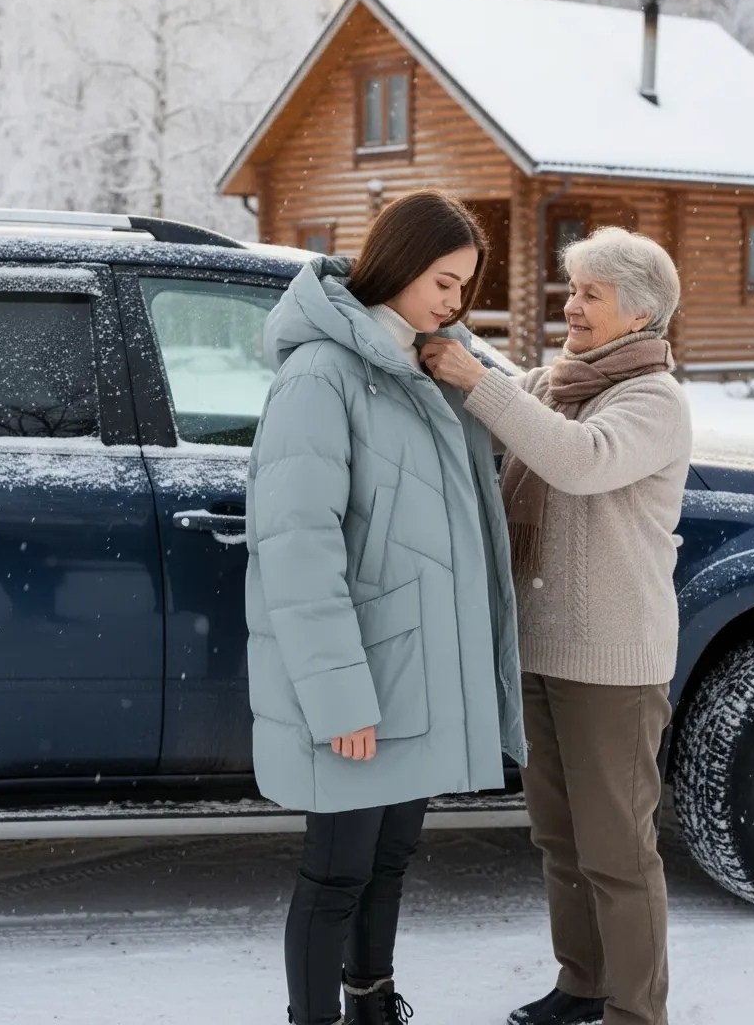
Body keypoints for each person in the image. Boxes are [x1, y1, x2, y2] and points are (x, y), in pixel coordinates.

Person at [245, 188, 526, 1025]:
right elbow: (298, 549)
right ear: (400, 265)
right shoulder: (321, 375)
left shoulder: (429, 366)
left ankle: (371, 1004)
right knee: (336, 871)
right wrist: (339, 698)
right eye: (444, 281)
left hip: (417, 669)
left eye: (464, 287)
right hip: (361, 673)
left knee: (391, 859)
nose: (455, 302)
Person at [421, 226, 692, 1025]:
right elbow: (497, 401)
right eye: (570, 289)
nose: (569, 305)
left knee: (618, 854)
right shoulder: (555, 384)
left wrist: (480, 380)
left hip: (613, 665)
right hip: (541, 650)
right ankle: (582, 986)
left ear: (639, 314)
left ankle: (637, 1012)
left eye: (589, 294)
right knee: (561, 841)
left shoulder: (652, 401)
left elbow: (578, 459)